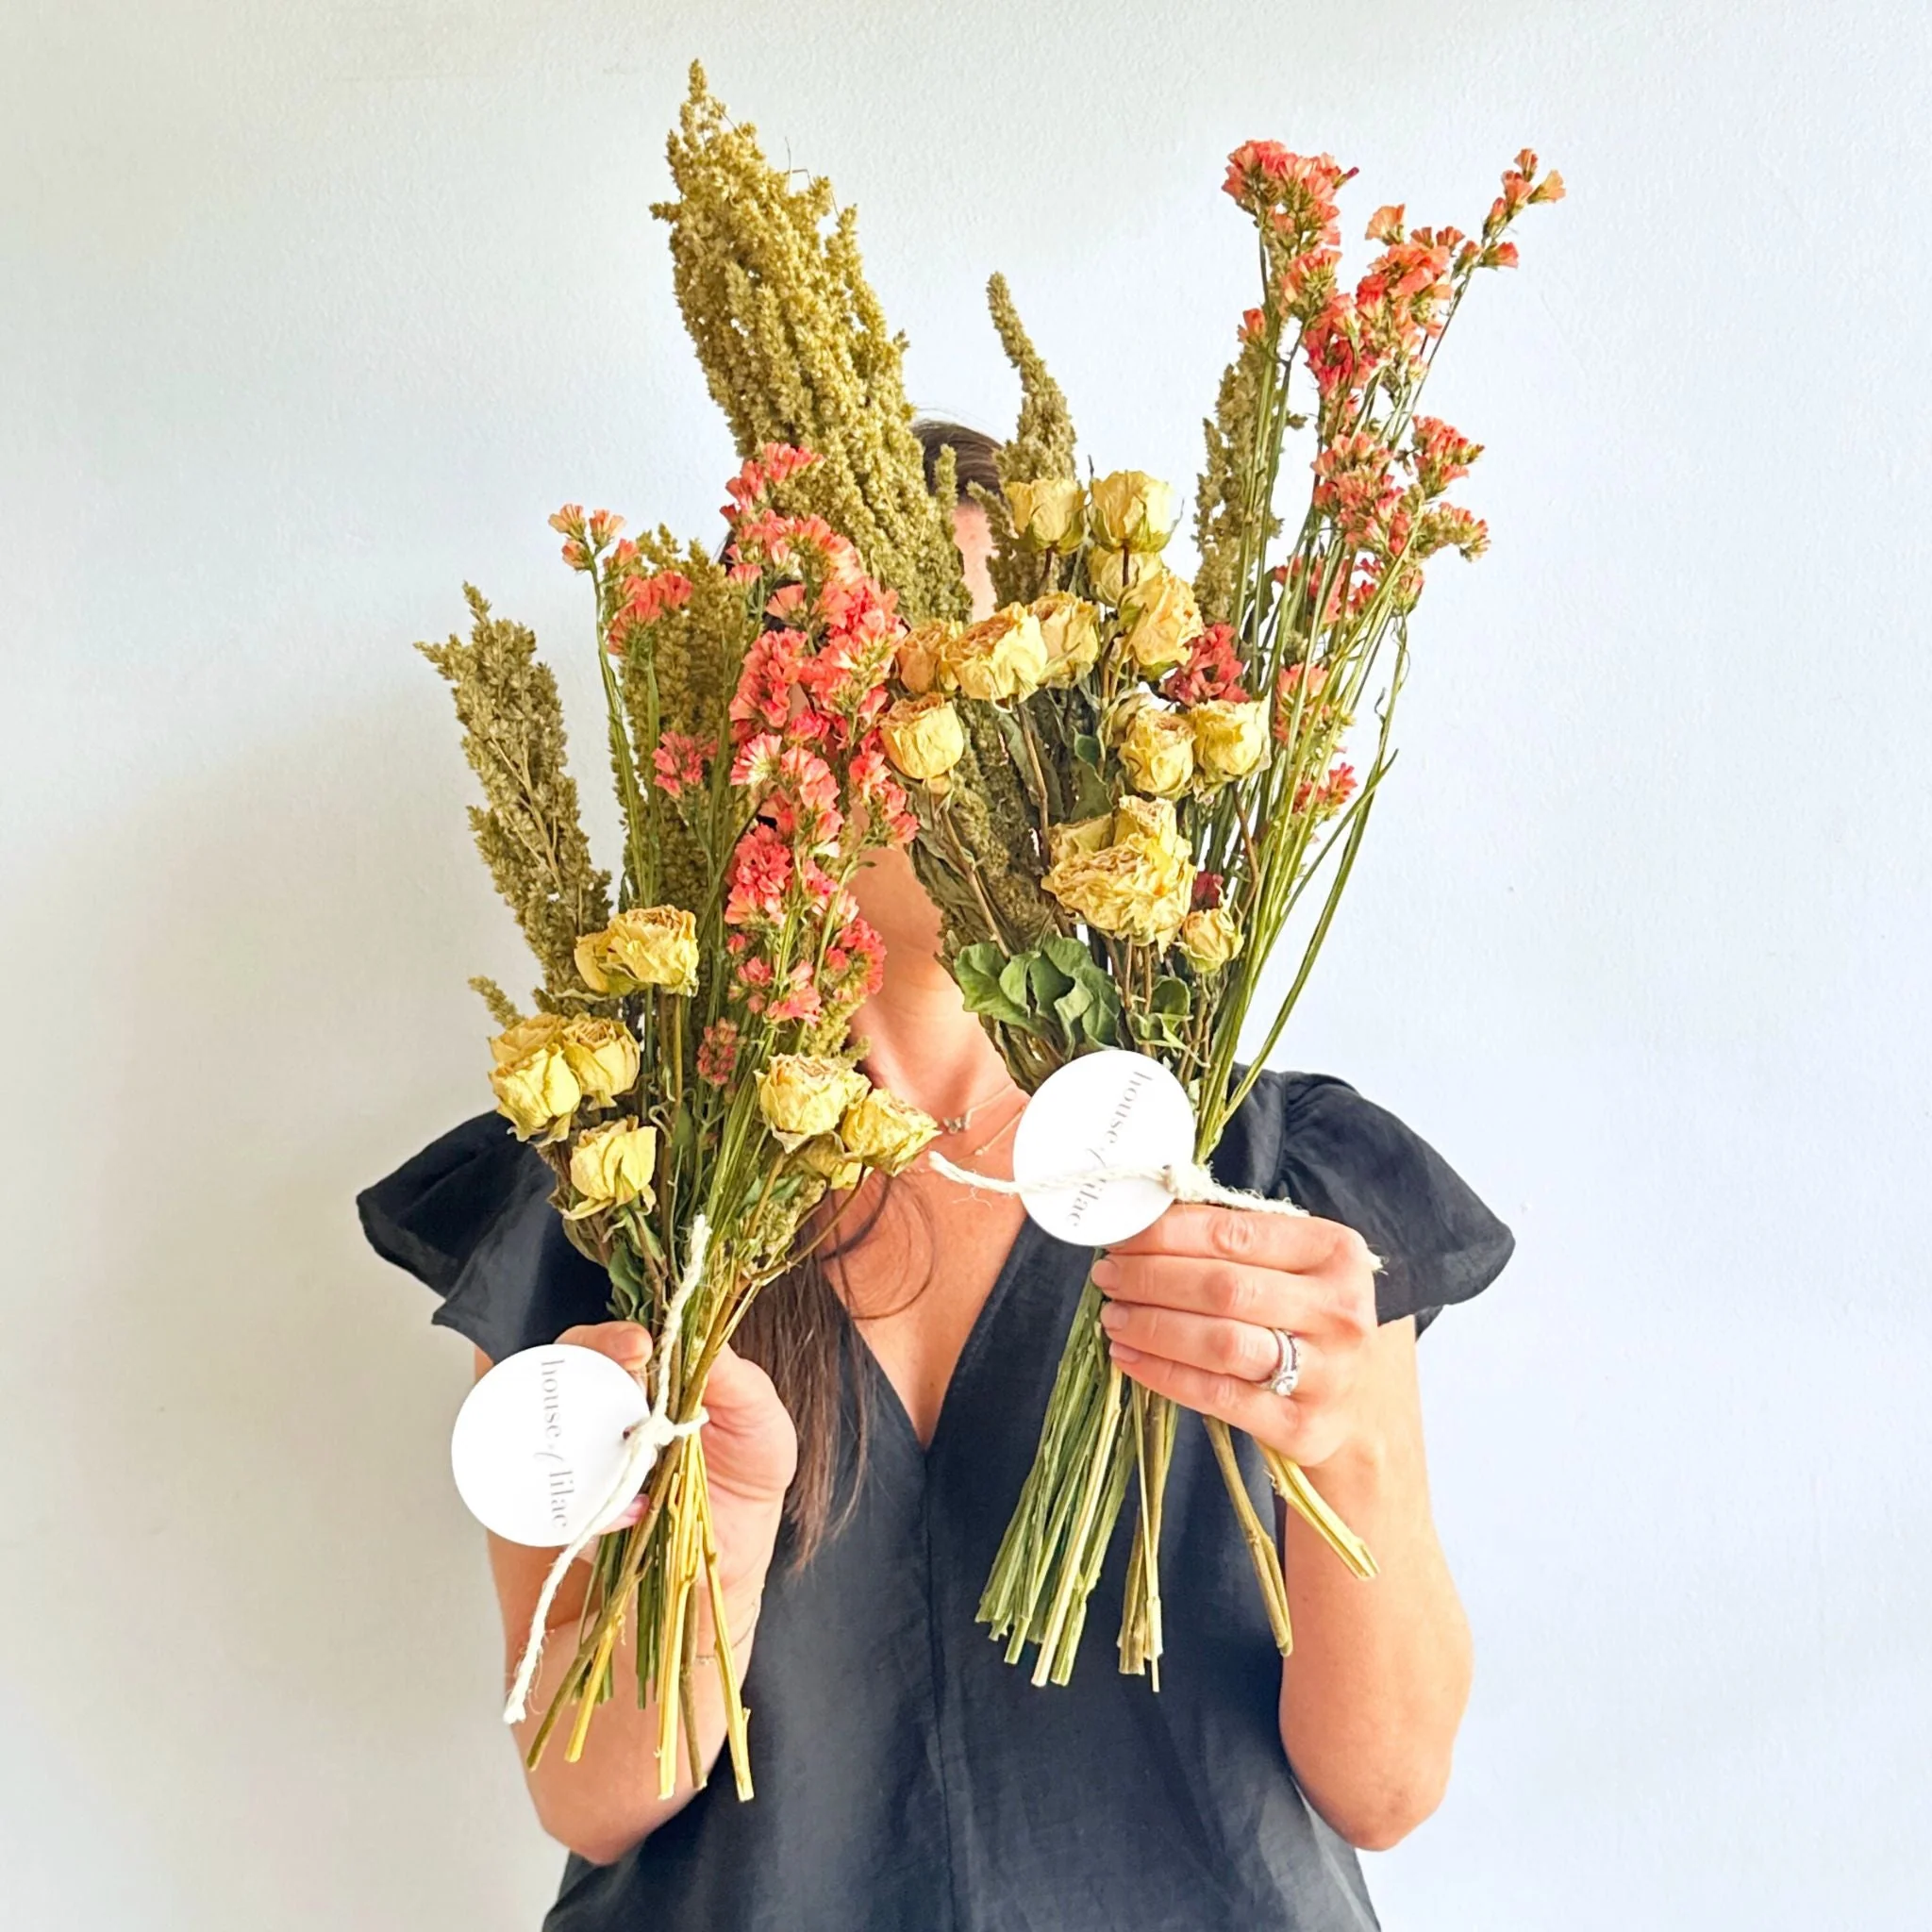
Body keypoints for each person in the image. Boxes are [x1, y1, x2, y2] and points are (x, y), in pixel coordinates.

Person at [358, 421, 1517, 1931]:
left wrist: (1350, 1441)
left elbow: (1390, 1784)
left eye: (985, 653)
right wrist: (711, 1528)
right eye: (856, 664)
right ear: (753, 729)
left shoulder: (1263, 1171)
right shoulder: (615, 1193)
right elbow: (590, 1788)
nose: (931, 718)